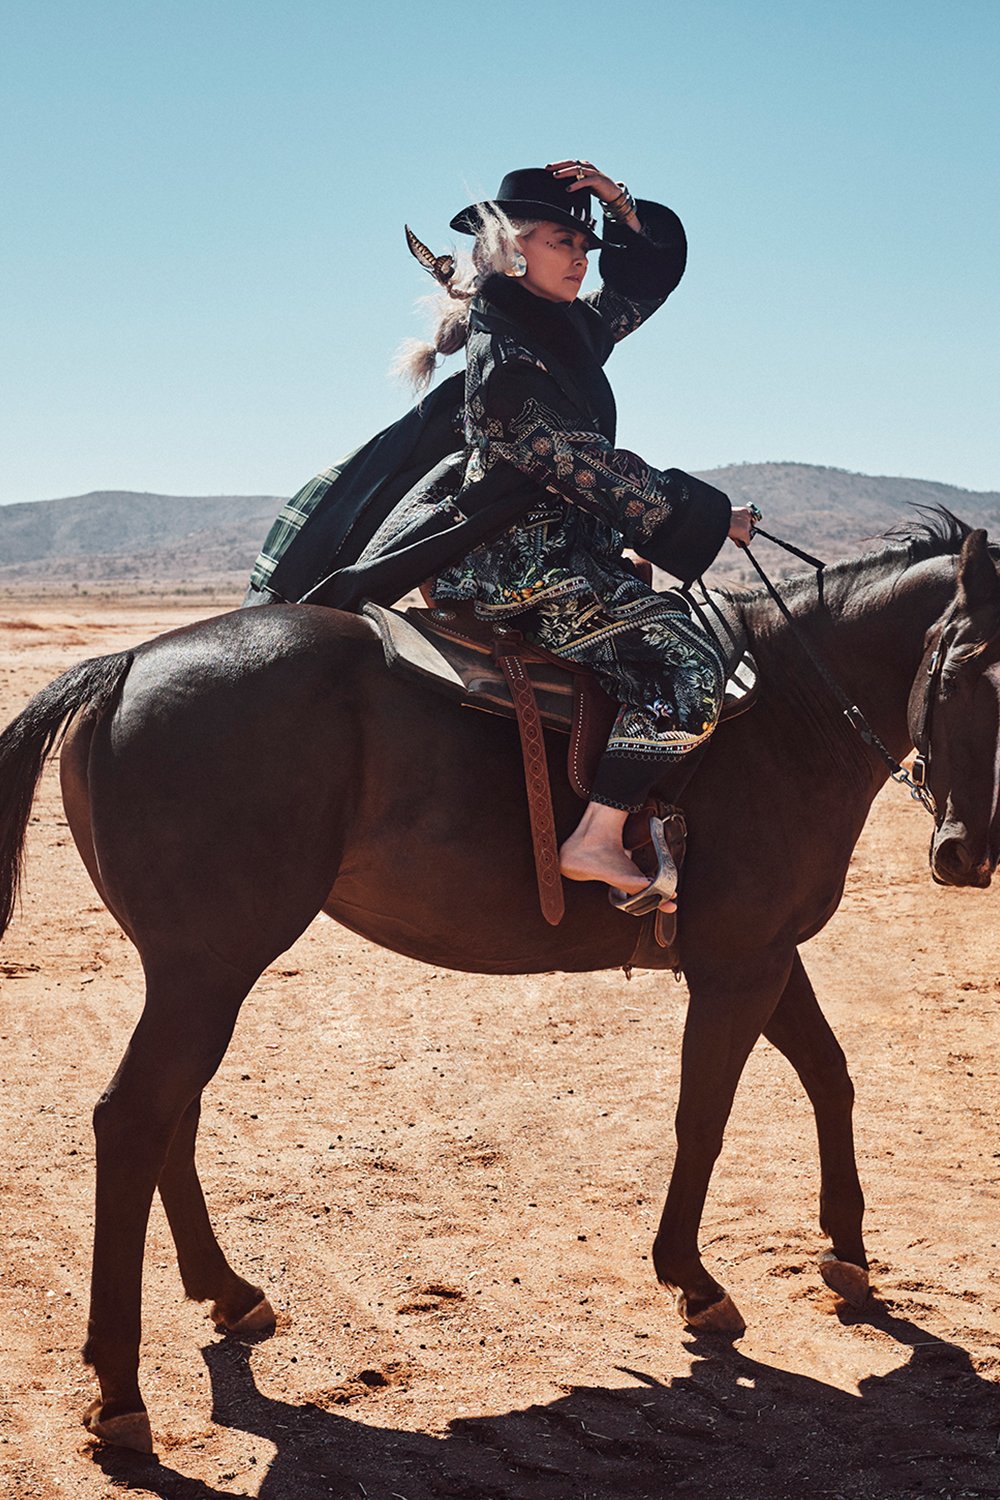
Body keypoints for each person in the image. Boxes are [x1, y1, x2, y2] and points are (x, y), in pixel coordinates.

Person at [383, 161, 755, 912]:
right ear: (513, 248)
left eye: (587, 242)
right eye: (565, 240)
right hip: (526, 569)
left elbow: (641, 287)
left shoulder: (565, 330)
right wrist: (708, 516)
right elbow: (578, 462)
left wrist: (620, 204)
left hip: (569, 552)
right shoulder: (509, 356)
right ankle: (597, 836)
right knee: (691, 665)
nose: (583, 257)